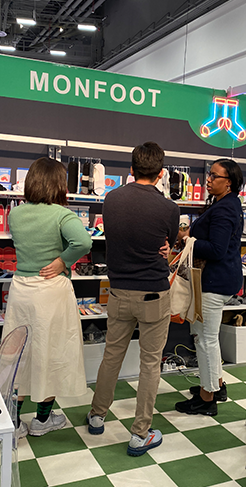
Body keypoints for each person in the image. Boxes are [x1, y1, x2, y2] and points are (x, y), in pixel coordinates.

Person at [87, 142, 180, 456]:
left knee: (111, 355)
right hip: (154, 292)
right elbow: (167, 241)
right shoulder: (169, 208)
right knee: (150, 363)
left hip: (118, 291)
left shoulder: (112, 199)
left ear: (131, 169)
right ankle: (140, 434)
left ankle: (97, 415)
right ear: (161, 173)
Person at [2, 157, 92, 438]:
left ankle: (14, 423)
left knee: (19, 354)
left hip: (21, 289)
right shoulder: (62, 215)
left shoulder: (16, 214)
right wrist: (63, 261)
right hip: (51, 291)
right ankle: (42, 420)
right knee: (51, 353)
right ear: (59, 184)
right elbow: (84, 242)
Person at [175, 158, 243, 416]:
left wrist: (188, 240)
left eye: (215, 176)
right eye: (209, 174)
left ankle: (207, 399)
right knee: (207, 337)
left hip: (214, 282)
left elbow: (216, 249)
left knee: (204, 339)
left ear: (229, 182)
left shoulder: (224, 208)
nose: (209, 179)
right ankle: (216, 385)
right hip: (218, 280)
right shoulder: (225, 204)